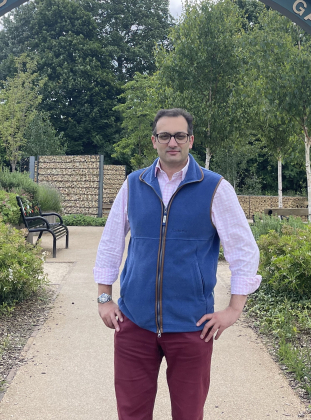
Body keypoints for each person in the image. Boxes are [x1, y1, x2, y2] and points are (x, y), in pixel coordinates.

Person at [94, 108, 261, 420]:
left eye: (180, 135)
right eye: (165, 135)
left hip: (191, 328)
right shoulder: (134, 184)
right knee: (131, 413)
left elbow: (244, 250)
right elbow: (110, 242)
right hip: (135, 324)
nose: (173, 142)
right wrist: (104, 298)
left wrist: (234, 309)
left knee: (188, 414)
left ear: (191, 140)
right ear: (154, 141)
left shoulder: (215, 188)